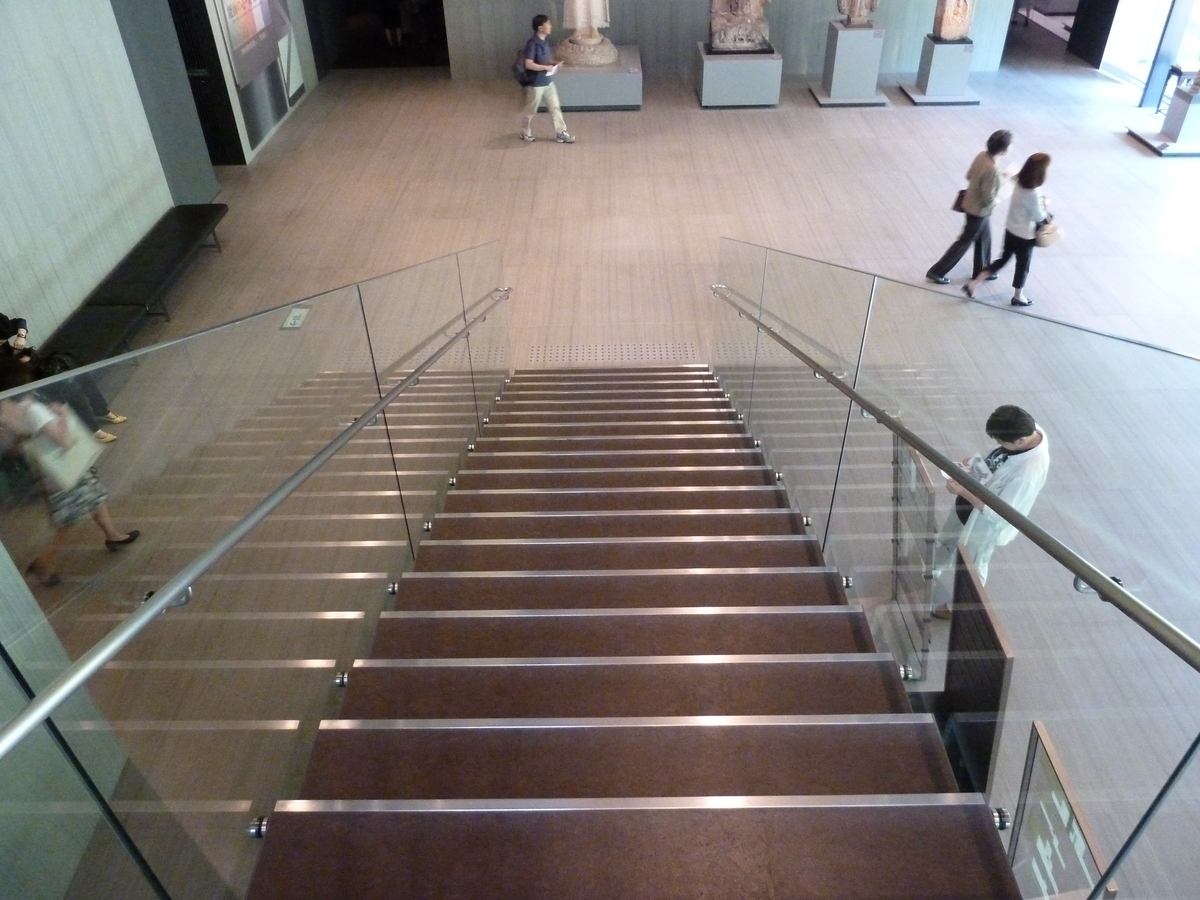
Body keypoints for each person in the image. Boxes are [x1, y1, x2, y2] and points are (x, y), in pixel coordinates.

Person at [0, 357, 138, 587]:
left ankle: (112, 535)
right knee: (69, 519)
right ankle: (43, 563)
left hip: (48, 471)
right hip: (64, 465)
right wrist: (62, 413)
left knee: (94, 496)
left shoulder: (8, 410)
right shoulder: (33, 409)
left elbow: (13, 443)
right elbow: (62, 441)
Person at [930, 404, 1050, 619]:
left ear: (1020, 441)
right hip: (967, 506)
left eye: (1001, 442)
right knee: (948, 539)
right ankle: (934, 571)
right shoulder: (1028, 431)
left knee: (974, 565)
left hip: (984, 525)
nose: (998, 445)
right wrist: (978, 466)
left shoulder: (1027, 474)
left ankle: (958, 607)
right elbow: (999, 464)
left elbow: (999, 513)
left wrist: (963, 491)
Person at [962, 152, 1052, 307]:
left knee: (1002, 259)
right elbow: (1039, 217)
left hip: (1010, 229)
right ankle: (1018, 296)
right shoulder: (1034, 193)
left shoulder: (1019, 182)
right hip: (1025, 235)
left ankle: (974, 282)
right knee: (1023, 266)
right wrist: (1046, 206)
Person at [925, 129, 1012, 286]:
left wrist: (1000, 177)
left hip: (970, 202)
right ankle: (937, 271)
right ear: (1004, 150)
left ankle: (982, 270)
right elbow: (988, 198)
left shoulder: (982, 157)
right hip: (978, 210)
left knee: (984, 237)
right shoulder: (992, 170)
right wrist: (1002, 193)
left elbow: (970, 175)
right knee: (964, 242)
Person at [32, 351, 128, 443]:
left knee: (84, 379)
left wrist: (22, 337)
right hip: (33, 383)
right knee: (71, 391)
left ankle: (101, 410)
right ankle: (93, 429)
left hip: (38, 368)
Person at [520, 15, 575, 145]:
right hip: (536, 84)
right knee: (531, 109)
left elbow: (545, 60)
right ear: (540, 28)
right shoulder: (532, 44)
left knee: (555, 107)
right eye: (548, 24)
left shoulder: (544, 42)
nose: (550, 26)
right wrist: (545, 67)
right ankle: (524, 131)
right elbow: (528, 64)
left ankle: (561, 132)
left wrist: (553, 63)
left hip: (548, 82)